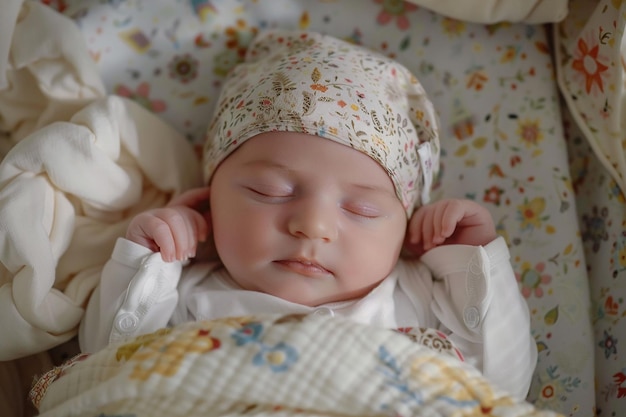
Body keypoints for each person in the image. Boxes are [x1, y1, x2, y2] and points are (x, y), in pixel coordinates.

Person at [79, 29, 537, 399]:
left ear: (404, 229)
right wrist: (150, 259)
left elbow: (500, 386)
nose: (312, 226)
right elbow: (105, 371)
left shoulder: (416, 295)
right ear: (209, 199)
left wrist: (470, 259)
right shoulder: (185, 296)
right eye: (270, 191)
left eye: (362, 209)